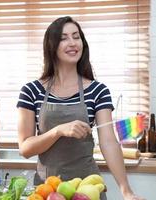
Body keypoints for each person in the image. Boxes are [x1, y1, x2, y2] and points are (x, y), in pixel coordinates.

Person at [16, 16, 144, 200]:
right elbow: (25, 148)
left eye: (76, 37)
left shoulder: (98, 91)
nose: (72, 43)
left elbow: (108, 142)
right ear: (51, 46)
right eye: (64, 38)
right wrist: (58, 131)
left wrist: (126, 190)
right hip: (47, 190)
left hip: (88, 189)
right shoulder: (31, 91)